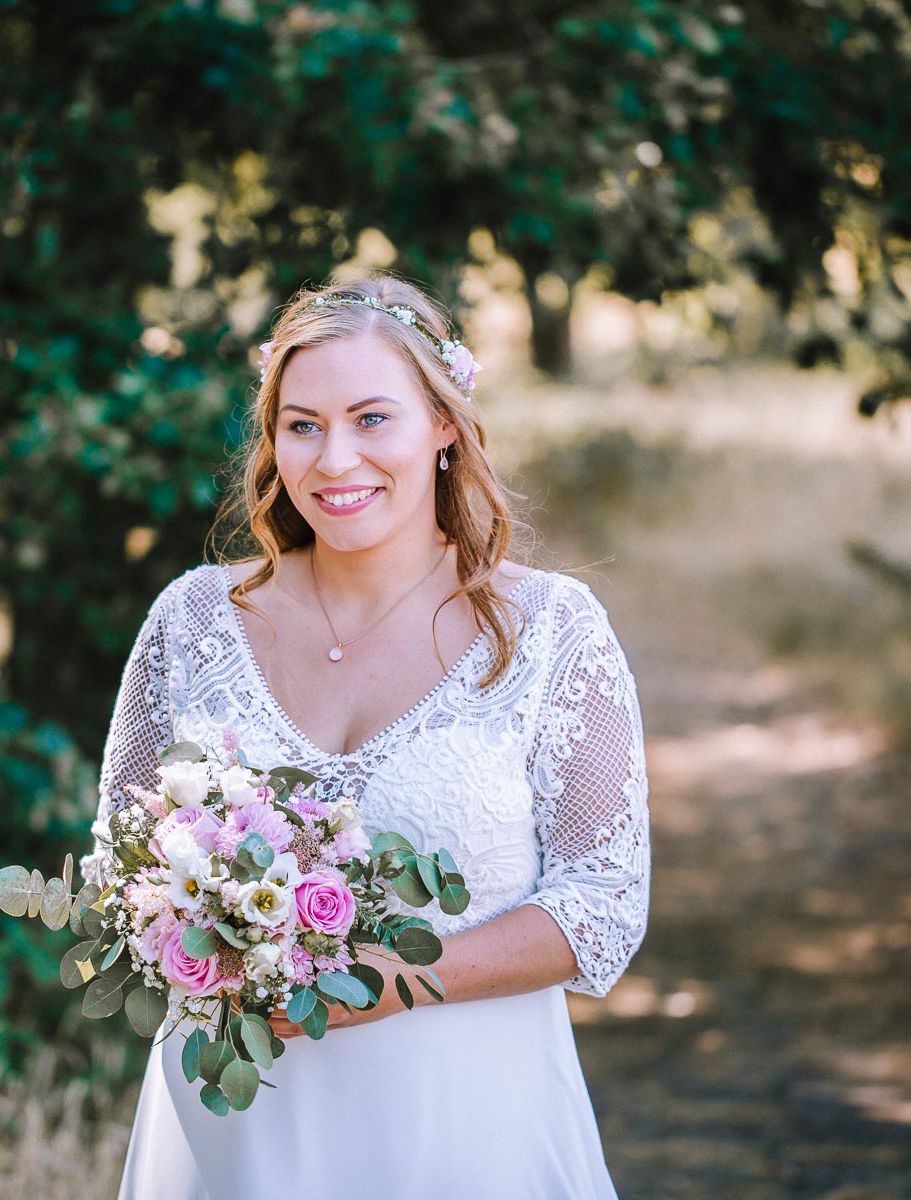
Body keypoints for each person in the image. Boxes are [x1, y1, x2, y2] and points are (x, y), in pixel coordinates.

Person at [87, 272, 649, 1199]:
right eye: (302, 425)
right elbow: (121, 865)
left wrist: (394, 980)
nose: (334, 458)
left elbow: (605, 904)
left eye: (372, 418)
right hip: (238, 1128)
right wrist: (209, 925)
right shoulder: (193, 621)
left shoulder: (552, 631)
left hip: (465, 1124)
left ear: (444, 425)